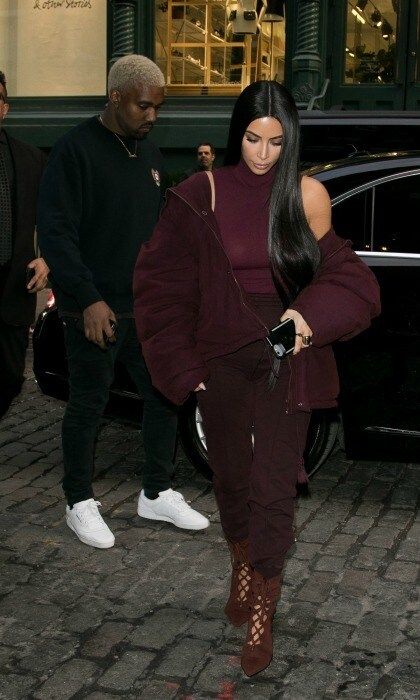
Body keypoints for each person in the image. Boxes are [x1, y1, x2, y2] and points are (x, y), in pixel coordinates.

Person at [133, 80, 380, 675]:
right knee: (232, 480)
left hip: (287, 354)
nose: (263, 153)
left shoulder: (306, 196)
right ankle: (241, 562)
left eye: (276, 141)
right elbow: (160, 284)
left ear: (290, 139)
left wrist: (306, 318)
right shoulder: (200, 194)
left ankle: (263, 610)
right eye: (252, 138)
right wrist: (186, 370)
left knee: (274, 488)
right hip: (221, 356)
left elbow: (352, 283)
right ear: (235, 132)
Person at [37, 54, 209, 550]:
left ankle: (155, 492)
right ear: (115, 97)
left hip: (145, 307)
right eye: (144, 106)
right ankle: (77, 502)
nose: (152, 116)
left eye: (158, 107)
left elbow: (155, 234)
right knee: (88, 403)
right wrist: (87, 299)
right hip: (92, 307)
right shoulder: (73, 150)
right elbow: (56, 232)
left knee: (164, 396)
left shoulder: (150, 155)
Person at [0, 70, 49, 420]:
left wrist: (46, 258)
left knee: (10, 378)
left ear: (5, 108)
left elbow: (53, 218)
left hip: (12, 288)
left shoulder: (30, 159)